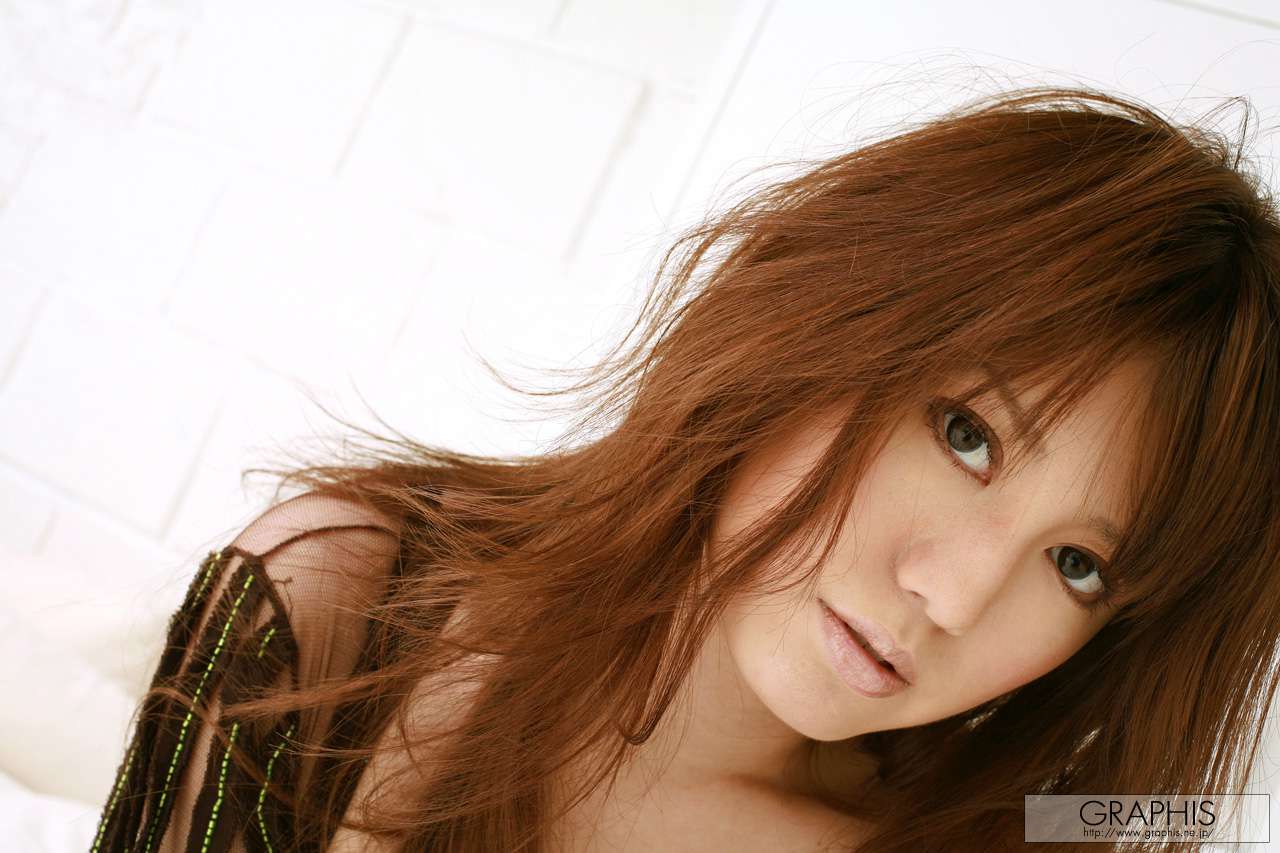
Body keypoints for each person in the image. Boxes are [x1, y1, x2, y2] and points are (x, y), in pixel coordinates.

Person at [90, 84, 1280, 852]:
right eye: (966, 435)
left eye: (1075, 565)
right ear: (816, 320)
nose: (955, 595)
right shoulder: (349, 599)